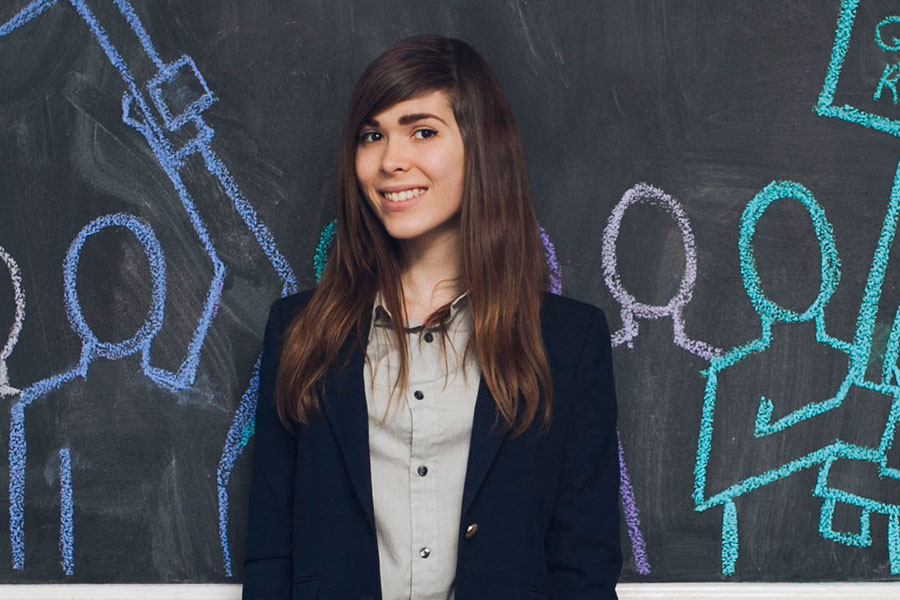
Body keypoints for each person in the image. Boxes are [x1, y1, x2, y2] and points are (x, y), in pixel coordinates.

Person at [242, 34, 622, 600]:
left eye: (422, 131)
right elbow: (272, 555)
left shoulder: (569, 341)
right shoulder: (299, 332)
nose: (390, 160)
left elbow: (583, 565)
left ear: (480, 147)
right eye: (372, 135)